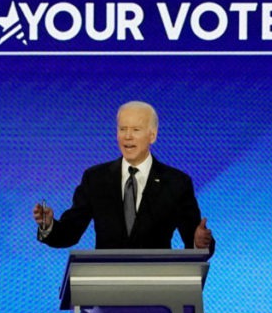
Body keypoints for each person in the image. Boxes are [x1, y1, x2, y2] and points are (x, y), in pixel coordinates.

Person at [33, 100, 214, 252]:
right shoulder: (95, 178)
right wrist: (48, 225)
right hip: (106, 286)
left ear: (152, 135)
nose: (127, 136)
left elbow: (195, 237)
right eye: (122, 129)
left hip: (156, 285)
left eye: (136, 130)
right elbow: (69, 233)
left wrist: (199, 243)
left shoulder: (176, 182)